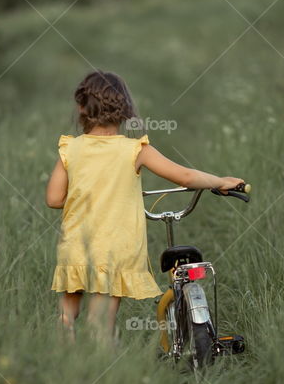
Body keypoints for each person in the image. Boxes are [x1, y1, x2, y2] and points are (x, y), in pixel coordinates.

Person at [45, 70, 244, 344]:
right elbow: (185, 177)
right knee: (100, 324)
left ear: (81, 107)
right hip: (113, 247)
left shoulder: (70, 149)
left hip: (76, 244)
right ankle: (102, 374)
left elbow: (54, 199)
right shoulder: (135, 150)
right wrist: (221, 181)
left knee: (67, 317)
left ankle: (65, 367)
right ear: (125, 110)